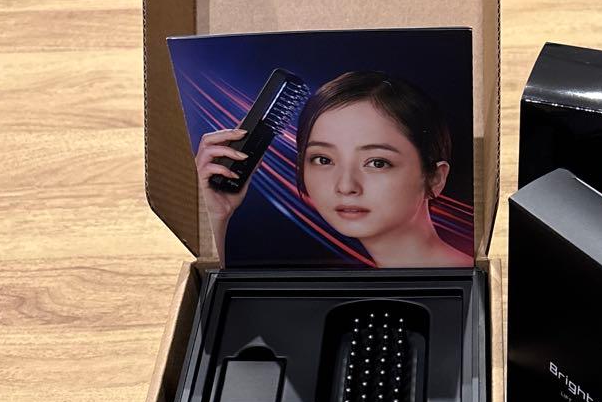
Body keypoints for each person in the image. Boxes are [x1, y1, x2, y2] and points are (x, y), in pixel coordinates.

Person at [195, 70, 470, 267]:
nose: (346, 186)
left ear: (435, 178)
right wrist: (217, 215)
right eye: (323, 160)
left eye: (377, 163)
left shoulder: (468, 284)